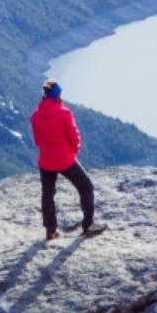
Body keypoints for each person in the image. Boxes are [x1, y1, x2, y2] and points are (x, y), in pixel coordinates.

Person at [30, 80, 106, 240]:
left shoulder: (36, 116)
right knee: (86, 187)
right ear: (58, 95)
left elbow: (37, 140)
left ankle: (50, 231)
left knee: (47, 194)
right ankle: (88, 225)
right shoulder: (64, 113)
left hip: (45, 160)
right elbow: (73, 136)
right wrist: (73, 150)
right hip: (65, 159)